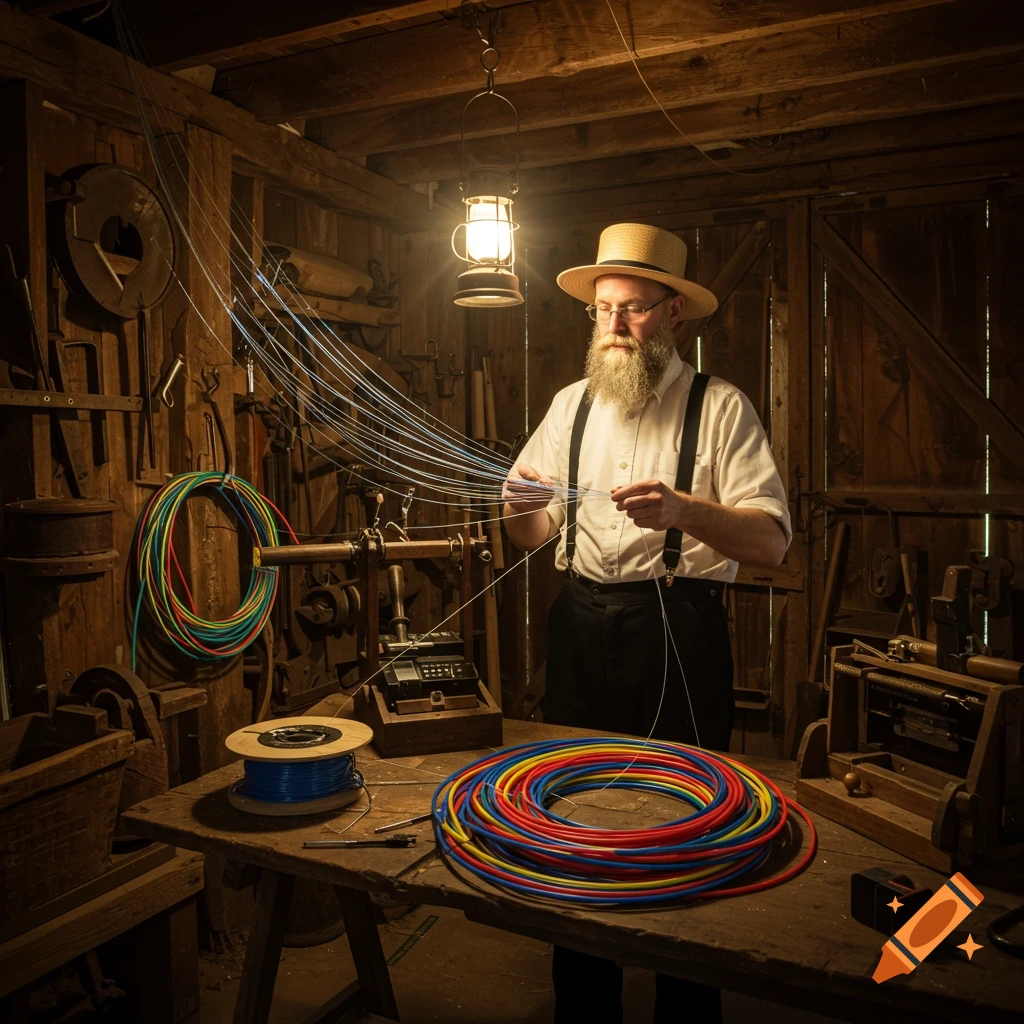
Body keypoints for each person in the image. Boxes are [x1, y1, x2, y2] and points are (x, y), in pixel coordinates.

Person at [501, 223, 792, 1024]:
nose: (615, 327)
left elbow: (770, 542)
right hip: (582, 627)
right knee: (572, 819)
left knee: (685, 830)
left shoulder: (720, 408)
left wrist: (687, 511)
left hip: (681, 631)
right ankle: (584, 1004)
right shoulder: (571, 407)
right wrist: (517, 509)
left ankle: (687, 1006)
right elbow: (532, 538)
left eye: (633, 310)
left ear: (672, 316)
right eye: (603, 312)